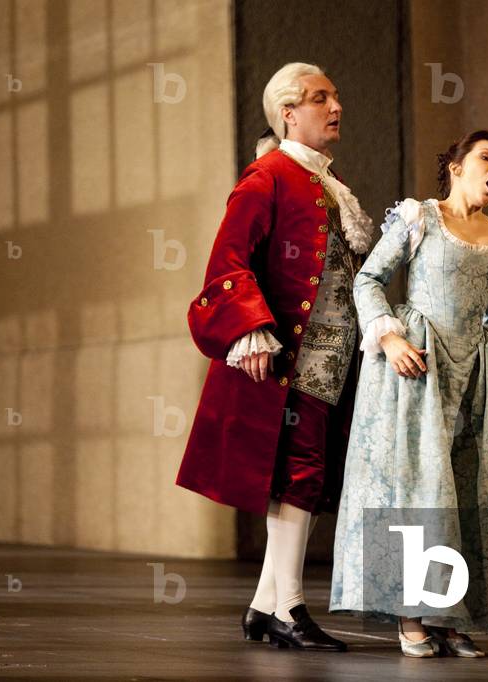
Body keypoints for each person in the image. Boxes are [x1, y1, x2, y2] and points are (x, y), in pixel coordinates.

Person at [176, 62, 374, 652]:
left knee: (307, 478)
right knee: (297, 475)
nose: (335, 106)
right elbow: (227, 264)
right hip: (290, 360)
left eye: (336, 96)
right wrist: (250, 332)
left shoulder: (327, 183)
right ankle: (289, 607)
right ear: (288, 112)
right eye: (320, 98)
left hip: (331, 359)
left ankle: (265, 607)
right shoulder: (267, 177)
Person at [329, 130, 488, 657]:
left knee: (471, 491)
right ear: (456, 166)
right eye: (486, 158)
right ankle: (412, 616)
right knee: (421, 492)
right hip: (419, 369)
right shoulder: (419, 218)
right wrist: (389, 334)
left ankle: (452, 616)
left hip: (478, 372)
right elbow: (369, 280)